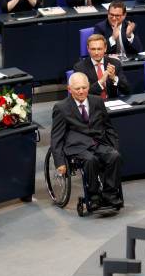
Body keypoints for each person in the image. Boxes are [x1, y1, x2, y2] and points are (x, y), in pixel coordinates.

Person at [51, 72, 123, 209]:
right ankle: (94, 196)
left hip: (98, 142)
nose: (81, 91)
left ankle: (110, 194)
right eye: (77, 88)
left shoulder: (97, 101)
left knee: (114, 156)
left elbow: (108, 127)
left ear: (89, 87)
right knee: (91, 160)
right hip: (77, 146)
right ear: (69, 89)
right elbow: (56, 137)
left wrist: (114, 146)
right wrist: (59, 162)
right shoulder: (61, 108)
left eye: (84, 87)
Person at [73, 34, 130, 98]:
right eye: (93, 49)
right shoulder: (80, 67)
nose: (96, 53)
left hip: (112, 103)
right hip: (93, 105)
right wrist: (101, 81)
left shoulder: (115, 63)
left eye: (99, 49)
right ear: (88, 49)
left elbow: (127, 90)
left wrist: (114, 78)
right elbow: (82, 93)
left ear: (105, 48)